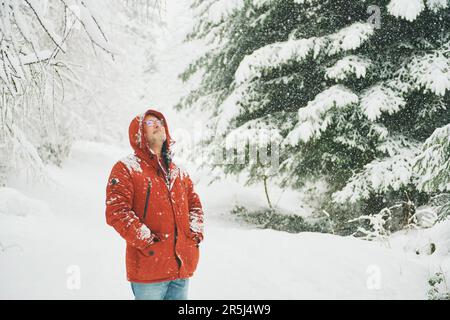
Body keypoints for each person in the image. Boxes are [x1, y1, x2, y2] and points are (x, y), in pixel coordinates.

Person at [105, 109, 204, 300]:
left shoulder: (179, 172)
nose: (157, 124)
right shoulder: (126, 168)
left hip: (181, 269)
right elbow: (116, 211)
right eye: (150, 123)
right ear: (139, 134)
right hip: (149, 270)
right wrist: (146, 241)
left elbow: (195, 205)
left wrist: (195, 234)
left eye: (159, 121)